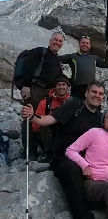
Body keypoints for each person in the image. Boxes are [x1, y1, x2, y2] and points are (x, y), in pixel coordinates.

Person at [21, 81, 105, 219]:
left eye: (100, 94)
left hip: (87, 161)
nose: (97, 96)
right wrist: (32, 117)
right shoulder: (74, 106)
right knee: (71, 170)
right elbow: (49, 119)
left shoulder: (99, 118)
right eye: (94, 92)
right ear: (86, 93)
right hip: (64, 157)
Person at [21, 31, 65, 160]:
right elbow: (28, 67)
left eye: (60, 41)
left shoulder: (57, 60)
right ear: (50, 40)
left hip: (49, 92)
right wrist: (26, 85)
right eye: (55, 40)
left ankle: (46, 150)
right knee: (29, 117)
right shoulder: (40, 52)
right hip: (36, 89)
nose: (57, 43)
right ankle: (29, 152)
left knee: (43, 119)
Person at [32, 74, 71, 163]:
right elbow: (35, 125)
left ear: (68, 87)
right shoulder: (45, 103)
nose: (61, 87)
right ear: (55, 87)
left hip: (65, 135)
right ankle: (49, 155)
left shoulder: (72, 102)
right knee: (45, 125)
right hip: (48, 136)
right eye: (59, 85)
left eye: (63, 84)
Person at [59, 35, 108, 100]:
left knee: (89, 107)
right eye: (83, 42)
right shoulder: (72, 56)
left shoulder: (94, 58)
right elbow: (57, 60)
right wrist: (66, 79)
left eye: (87, 43)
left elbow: (107, 65)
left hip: (90, 88)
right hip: (76, 88)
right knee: (76, 107)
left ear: (90, 46)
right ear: (79, 44)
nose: (85, 44)